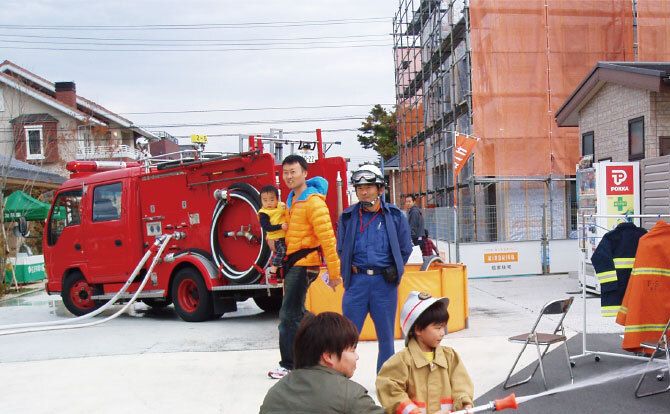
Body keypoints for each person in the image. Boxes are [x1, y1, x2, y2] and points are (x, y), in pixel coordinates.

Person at [268, 154, 342, 379]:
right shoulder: (290, 201)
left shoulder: (313, 202)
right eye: (286, 172)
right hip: (293, 262)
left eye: (294, 172)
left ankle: (289, 364)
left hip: (304, 264)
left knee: (288, 315)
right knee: (297, 312)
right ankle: (325, 337)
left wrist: (334, 272)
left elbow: (328, 239)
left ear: (305, 173)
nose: (289, 176)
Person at [337, 164, 413, 372]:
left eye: (369, 187)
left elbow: (405, 248)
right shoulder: (348, 217)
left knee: (386, 338)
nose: (363, 191)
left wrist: (395, 268)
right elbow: (340, 248)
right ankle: (341, 380)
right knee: (347, 337)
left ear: (380, 189)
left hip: (384, 285)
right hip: (357, 283)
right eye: (359, 187)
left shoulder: (395, 216)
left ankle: (385, 382)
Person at [260, 312, 385, 414]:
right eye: (352, 350)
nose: (356, 357)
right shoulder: (350, 395)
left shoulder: (275, 393)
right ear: (328, 356)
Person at [376, 291, 474, 414]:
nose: (443, 332)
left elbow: (461, 385)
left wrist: (465, 403)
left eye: (444, 327)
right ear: (418, 329)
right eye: (438, 328)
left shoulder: (450, 357)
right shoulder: (402, 361)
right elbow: (388, 387)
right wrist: (411, 411)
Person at [258, 184, 288, 284]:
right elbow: (266, 227)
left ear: (277, 199)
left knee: (286, 256)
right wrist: (280, 226)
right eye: (265, 200)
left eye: (271, 199)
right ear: (261, 201)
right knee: (282, 251)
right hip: (275, 239)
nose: (268, 203)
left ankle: (282, 274)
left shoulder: (281, 206)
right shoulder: (264, 213)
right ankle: (272, 271)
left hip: (285, 236)